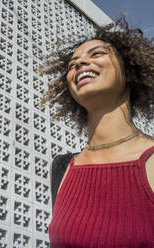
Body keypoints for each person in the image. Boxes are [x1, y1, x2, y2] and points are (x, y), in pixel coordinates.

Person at [41, 16, 154, 247]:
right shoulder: (60, 168)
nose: (80, 65)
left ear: (129, 70)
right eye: (73, 64)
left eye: (96, 54)